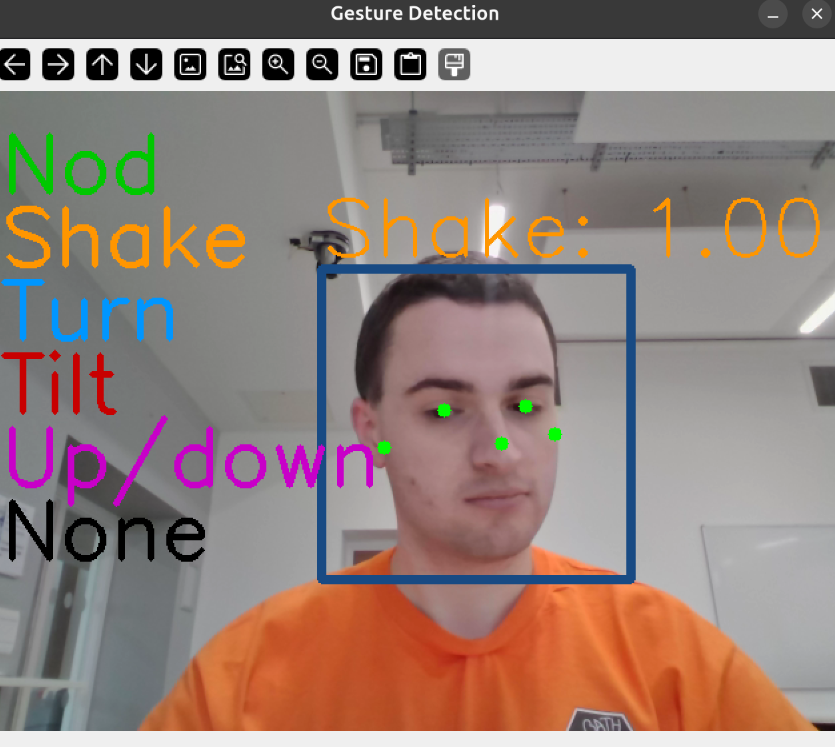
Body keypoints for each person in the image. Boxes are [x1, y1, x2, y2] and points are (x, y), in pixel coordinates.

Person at [141, 254, 816, 730]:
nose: (499, 450)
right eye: (443, 409)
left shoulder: (673, 660)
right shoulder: (245, 680)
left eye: (526, 405)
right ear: (371, 431)